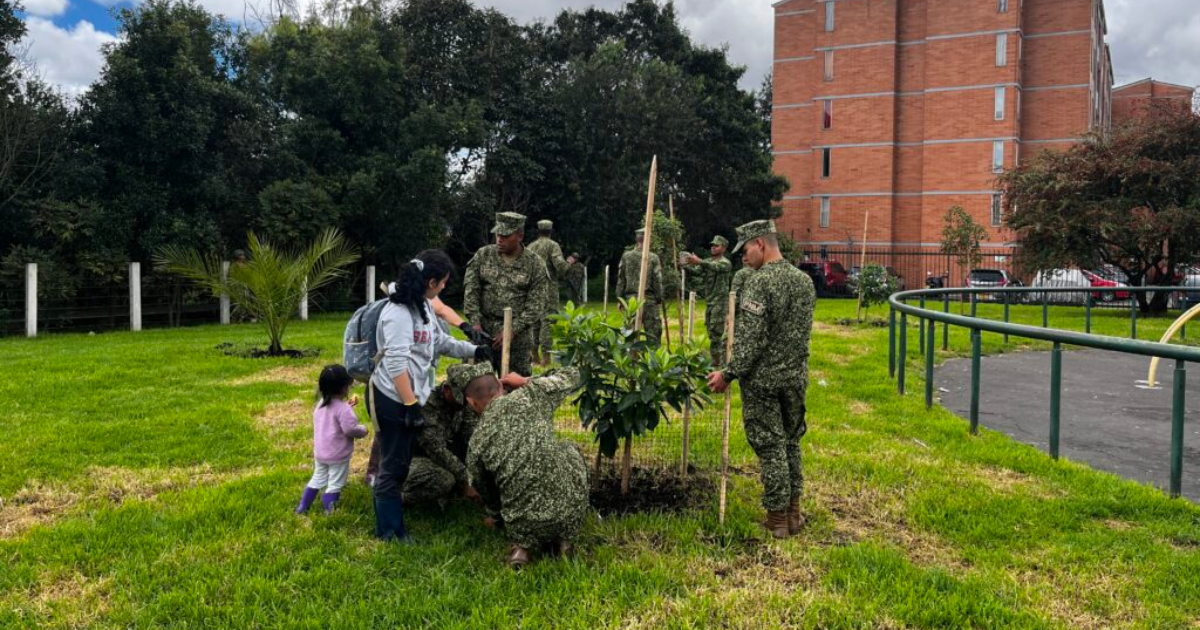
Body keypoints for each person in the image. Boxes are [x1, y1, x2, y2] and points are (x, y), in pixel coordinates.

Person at [371, 250, 491, 542]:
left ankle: (393, 524)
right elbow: (396, 365)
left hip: (411, 397)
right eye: (444, 283)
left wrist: (474, 350)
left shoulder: (422, 307)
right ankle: (390, 531)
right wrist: (410, 405)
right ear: (432, 281)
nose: (444, 288)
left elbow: (438, 341)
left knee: (398, 462)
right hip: (393, 398)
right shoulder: (398, 313)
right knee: (394, 464)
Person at [706, 220, 815, 540]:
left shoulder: (758, 283)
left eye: (746, 249)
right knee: (792, 442)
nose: (744, 256)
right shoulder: (804, 282)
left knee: (771, 447)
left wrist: (727, 373)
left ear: (761, 244)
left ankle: (777, 518)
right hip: (795, 377)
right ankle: (794, 513)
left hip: (764, 381)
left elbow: (750, 340)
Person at [464, 368, 590, 569]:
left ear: (471, 402)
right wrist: (526, 380)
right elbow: (574, 374)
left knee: (500, 481)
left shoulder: (476, 442)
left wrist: (496, 518)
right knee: (569, 448)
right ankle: (564, 540)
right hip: (569, 515)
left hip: (522, 521)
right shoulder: (532, 394)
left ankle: (522, 549)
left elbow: (485, 491)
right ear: (501, 387)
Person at [463, 212, 551, 377]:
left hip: (517, 339)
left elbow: (536, 306)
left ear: (520, 236)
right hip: (483, 332)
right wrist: (475, 323)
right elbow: (471, 290)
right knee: (477, 386)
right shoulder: (483, 255)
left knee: (515, 392)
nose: (499, 239)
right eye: (497, 234)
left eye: (505, 235)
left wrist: (511, 330)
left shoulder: (535, 264)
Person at [403, 362, 493, 506]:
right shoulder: (426, 405)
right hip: (415, 457)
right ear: (446, 389)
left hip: (446, 453)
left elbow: (472, 438)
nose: (464, 404)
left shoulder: (463, 404)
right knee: (445, 481)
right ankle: (399, 496)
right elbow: (436, 450)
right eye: (461, 398)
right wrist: (465, 481)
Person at [296, 364, 369, 515]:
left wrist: (347, 406)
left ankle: (303, 507)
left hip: (321, 453)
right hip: (338, 455)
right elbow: (350, 429)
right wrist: (363, 430)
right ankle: (330, 511)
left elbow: (333, 415)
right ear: (344, 388)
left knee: (317, 479)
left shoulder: (320, 405)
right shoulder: (343, 410)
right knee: (335, 483)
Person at [526, 220, 577, 367]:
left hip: (532, 289)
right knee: (547, 322)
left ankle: (534, 356)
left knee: (535, 322)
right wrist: (569, 264)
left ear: (538, 230)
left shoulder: (530, 246)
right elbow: (560, 267)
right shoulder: (552, 245)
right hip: (548, 289)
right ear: (551, 230)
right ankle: (546, 357)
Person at [683, 235, 734, 365]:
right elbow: (697, 272)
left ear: (723, 248)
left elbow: (714, 267)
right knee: (711, 330)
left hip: (720, 301)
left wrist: (699, 261)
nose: (713, 247)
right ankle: (716, 358)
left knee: (717, 331)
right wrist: (685, 265)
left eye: (716, 245)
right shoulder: (708, 262)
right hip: (710, 300)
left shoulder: (725, 263)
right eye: (712, 245)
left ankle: (719, 360)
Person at [615, 228, 664, 346]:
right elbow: (657, 280)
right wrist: (659, 298)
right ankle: (654, 361)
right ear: (649, 239)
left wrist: (620, 299)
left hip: (631, 301)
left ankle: (631, 360)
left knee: (630, 334)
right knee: (653, 334)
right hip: (649, 300)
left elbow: (621, 279)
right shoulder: (653, 257)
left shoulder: (626, 256)